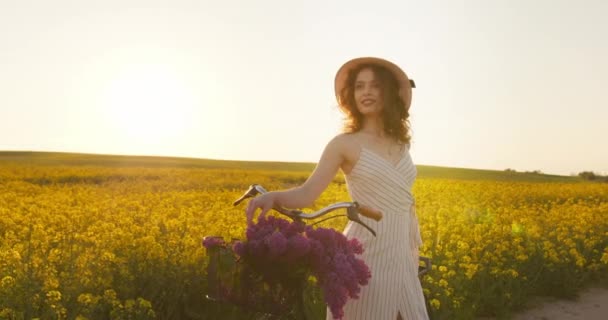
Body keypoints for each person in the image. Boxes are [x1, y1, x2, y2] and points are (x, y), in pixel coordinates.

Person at [245, 57, 429, 320]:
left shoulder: (401, 145)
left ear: (388, 92)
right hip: (366, 249)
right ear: (351, 95)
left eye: (374, 86)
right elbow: (308, 194)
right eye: (359, 86)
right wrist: (273, 197)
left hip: (401, 248)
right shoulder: (343, 144)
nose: (366, 92)